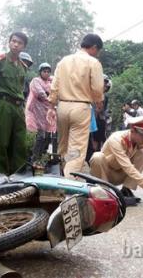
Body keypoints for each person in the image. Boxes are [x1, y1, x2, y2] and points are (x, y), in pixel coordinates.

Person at [48, 33, 104, 178]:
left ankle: (60, 178)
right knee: (76, 152)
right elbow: (98, 88)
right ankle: (67, 186)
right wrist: (99, 103)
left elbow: (54, 86)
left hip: (62, 107)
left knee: (63, 148)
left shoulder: (63, 61)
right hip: (81, 107)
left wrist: (51, 106)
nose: (97, 54)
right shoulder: (93, 63)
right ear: (94, 47)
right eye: (97, 51)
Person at [90, 116, 143, 205]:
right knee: (97, 157)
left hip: (122, 175)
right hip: (106, 174)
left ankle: (126, 190)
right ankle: (104, 192)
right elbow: (128, 167)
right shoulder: (116, 139)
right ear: (133, 130)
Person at [0, 32, 28, 175]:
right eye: (13, 41)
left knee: (20, 142)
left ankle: (18, 175)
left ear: (24, 46)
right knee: (2, 142)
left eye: (19, 43)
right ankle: (1, 175)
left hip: (18, 106)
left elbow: (21, 88)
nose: (16, 44)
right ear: (9, 42)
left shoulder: (23, 66)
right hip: (3, 103)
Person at [25, 62, 56, 164]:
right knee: (41, 135)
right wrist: (50, 97)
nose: (46, 73)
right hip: (37, 111)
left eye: (48, 72)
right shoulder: (36, 81)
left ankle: (42, 157)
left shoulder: (51, 82)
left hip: (47, 112)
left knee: (48, 136)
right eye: (44, 71)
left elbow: (56, 91)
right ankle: (34, 158)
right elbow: (40, 93)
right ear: (40, 72)